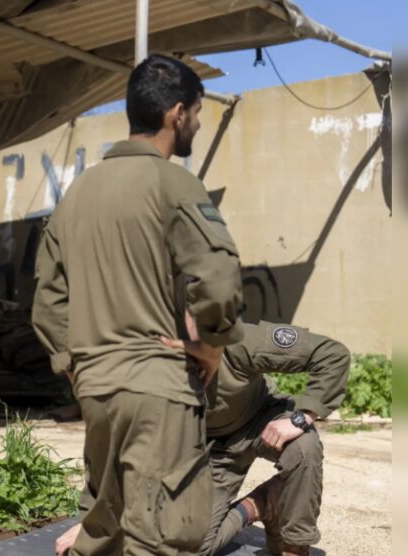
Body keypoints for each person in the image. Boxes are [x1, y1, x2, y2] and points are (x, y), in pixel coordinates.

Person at [32, 54, 245, 554]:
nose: (195, 122)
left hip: (97, 392)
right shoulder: (174, 184)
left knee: (107, 530)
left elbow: (46, 302)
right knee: (166, 536)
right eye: (195, 112)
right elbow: (218, 279)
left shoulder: (75, 195)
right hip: (159, 390)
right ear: (177, 113)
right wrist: (211, 345)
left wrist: (76, 365)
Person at [56, 321, 350, 556]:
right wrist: (89, 524)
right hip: (210, 451)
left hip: (259, 420)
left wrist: (302, 416)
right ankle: (263, 503)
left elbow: (331, 354)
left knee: (303, 445)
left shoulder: (236, 339)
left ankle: (294, 546)